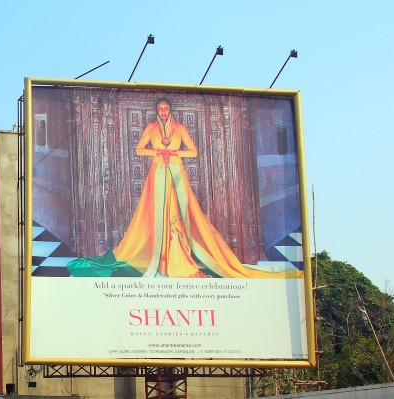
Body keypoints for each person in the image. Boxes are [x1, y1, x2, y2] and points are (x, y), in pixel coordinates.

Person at [69, 99, 302, 280]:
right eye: (159, 108)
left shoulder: (179, 128)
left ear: (170, 111)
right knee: (156, 213)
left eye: (165, 108)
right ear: (156, 111)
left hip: (177, 173)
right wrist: (159, 153)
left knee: (178, 212)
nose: (162, 111)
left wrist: (175, 153)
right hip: (157, 172)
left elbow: (193, 151)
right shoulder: (151, 128)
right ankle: (159, 257)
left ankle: (179, 254)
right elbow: (140, 149)